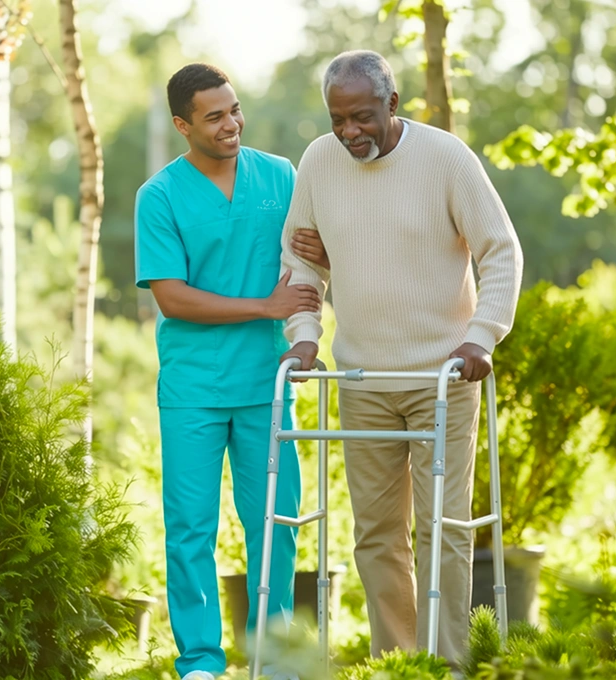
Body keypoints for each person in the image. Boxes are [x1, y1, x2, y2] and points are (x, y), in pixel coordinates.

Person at [283, 50, 523, 665]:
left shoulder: (445, 158)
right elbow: (301, 262)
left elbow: (500, 250)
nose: (348, 132)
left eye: (361, 117)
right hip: (361, 374)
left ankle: (447, 664)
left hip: (442, 375)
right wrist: (305, 333)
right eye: (338, 119)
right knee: (376, 535)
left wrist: (482, 334)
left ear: (392, 104)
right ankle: (398, 663)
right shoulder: (318, 160)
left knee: (441, 530)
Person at [134, 63, 326, 680]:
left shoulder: (280, 176)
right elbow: (171, 296)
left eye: (234, 109)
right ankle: (200, 662)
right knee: (190, 528)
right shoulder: (159, 196)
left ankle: (274, 660)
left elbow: (305, 262)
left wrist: (301, 319)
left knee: (275, 519)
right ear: (181, 125)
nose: (231, 124)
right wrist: (263, 307)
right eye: (214, 116)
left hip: (266, 385)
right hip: (192, 386)